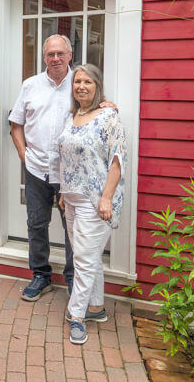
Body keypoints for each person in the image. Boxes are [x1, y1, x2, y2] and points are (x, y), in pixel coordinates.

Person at [58, 63, 127, 345]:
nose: (81, 86)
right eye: (77, 82)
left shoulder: (109, 116)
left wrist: (107, 197)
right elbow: (66, 158)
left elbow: (117, 160)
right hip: (72, 198)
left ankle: (76, 317)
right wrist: (63, 191)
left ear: (97, 86)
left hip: (95, 200)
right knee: (88, 255)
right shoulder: (71, 116)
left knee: (83, 260)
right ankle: (96, 308)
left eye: (87, 81)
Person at [8, 34, 77, 301]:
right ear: (44, 57)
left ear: (70, 55)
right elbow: (16, 124)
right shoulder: (31, 85)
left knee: (72, 228)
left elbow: (99, 110)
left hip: (70, 172)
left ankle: (73, 280)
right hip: (36, 168)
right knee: (36, 223)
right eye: (50, 54)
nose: (56, 59)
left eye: (60, 53)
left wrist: (109, 104)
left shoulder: (81, 83)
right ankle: (40, 275)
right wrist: (24, 156)